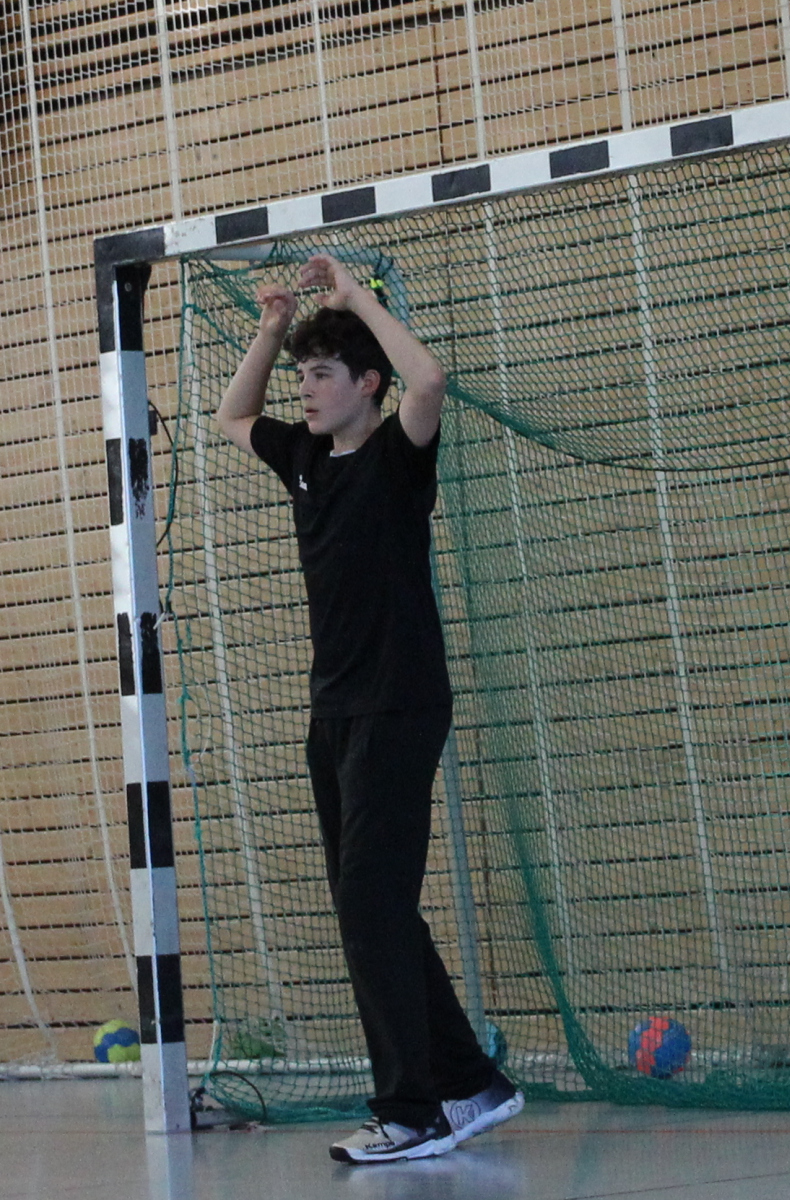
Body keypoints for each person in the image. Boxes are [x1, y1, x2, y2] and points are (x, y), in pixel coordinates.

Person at [216, 253, 523, 1164]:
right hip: (335, 713)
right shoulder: (305, 459)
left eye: (322, 375)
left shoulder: (398, 457)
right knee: (376, 906)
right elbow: (233, 416)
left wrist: (352, 297)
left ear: (367, 385)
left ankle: (410, 1111)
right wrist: (273, 329)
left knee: (368, 903)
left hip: (400, 702)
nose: (305, 391)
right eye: (302, 376)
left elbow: (429, 379)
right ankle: (471, 1082)